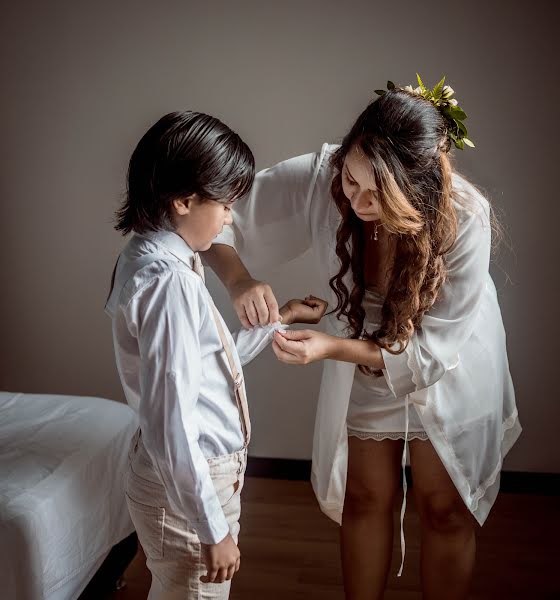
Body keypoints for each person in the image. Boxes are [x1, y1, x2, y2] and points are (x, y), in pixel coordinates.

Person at [204, 80, 521, 599]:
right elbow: (220, 214)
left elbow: (429, 354)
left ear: (419, 190)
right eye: (353, 181)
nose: (358, 200)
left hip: (450, 361)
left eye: (381, 195)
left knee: (443, 508)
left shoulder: (465, 216)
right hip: (364, 350)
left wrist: (329, 349)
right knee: (366, 496)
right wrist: (241, 279)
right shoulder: (322, 174)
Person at [104, 110, 327, 600]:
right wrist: (212, 530)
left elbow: (204, 363)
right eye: (225, 206)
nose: (229, 219)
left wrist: (281, 317)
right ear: (184, 200)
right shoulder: (170, 283)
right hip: (191, 490)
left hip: (189, 484)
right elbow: (171, 423)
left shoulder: (150, 255)